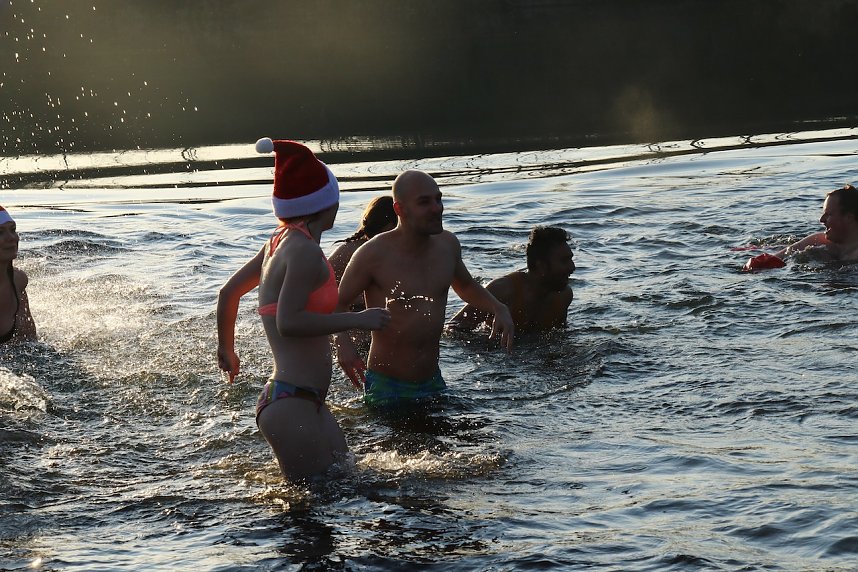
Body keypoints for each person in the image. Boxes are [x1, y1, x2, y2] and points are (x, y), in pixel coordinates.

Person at [216, 138, 391, 480]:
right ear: (326, 202)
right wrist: (358, 319)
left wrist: (227, 349)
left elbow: (229, 293)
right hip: (291, 403)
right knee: (311, 515)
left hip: (301, 401)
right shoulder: (304, 252)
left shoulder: (278, 242)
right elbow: (289, 322)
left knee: (351, 480)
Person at [333, 169, 515, 407]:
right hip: (388, 386)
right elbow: (337, 304)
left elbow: (466, 286)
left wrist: (498, 307)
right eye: (424, 202)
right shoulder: (372, 255)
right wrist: (343, 345)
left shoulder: (447, 245)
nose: (437, 208)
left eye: (438, 199)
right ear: (400, 210)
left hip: (432, 382)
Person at [447, 226, 575, 333]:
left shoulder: (564, 296)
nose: (572, 267)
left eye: (571, 259)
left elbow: (558, 337)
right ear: (540, 265)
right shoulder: (503, 291)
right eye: (564, 261)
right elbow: (453, 328)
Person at [743, 184, 858, 270]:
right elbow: (775, 258)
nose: (821, 220)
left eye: (828, 214)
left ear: (849, 217)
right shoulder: (818, 241)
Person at [0, 205, 37, 345]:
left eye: (13, 229)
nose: (12, 238)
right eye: (0, 232)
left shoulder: (17, 281)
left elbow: (30, 342)